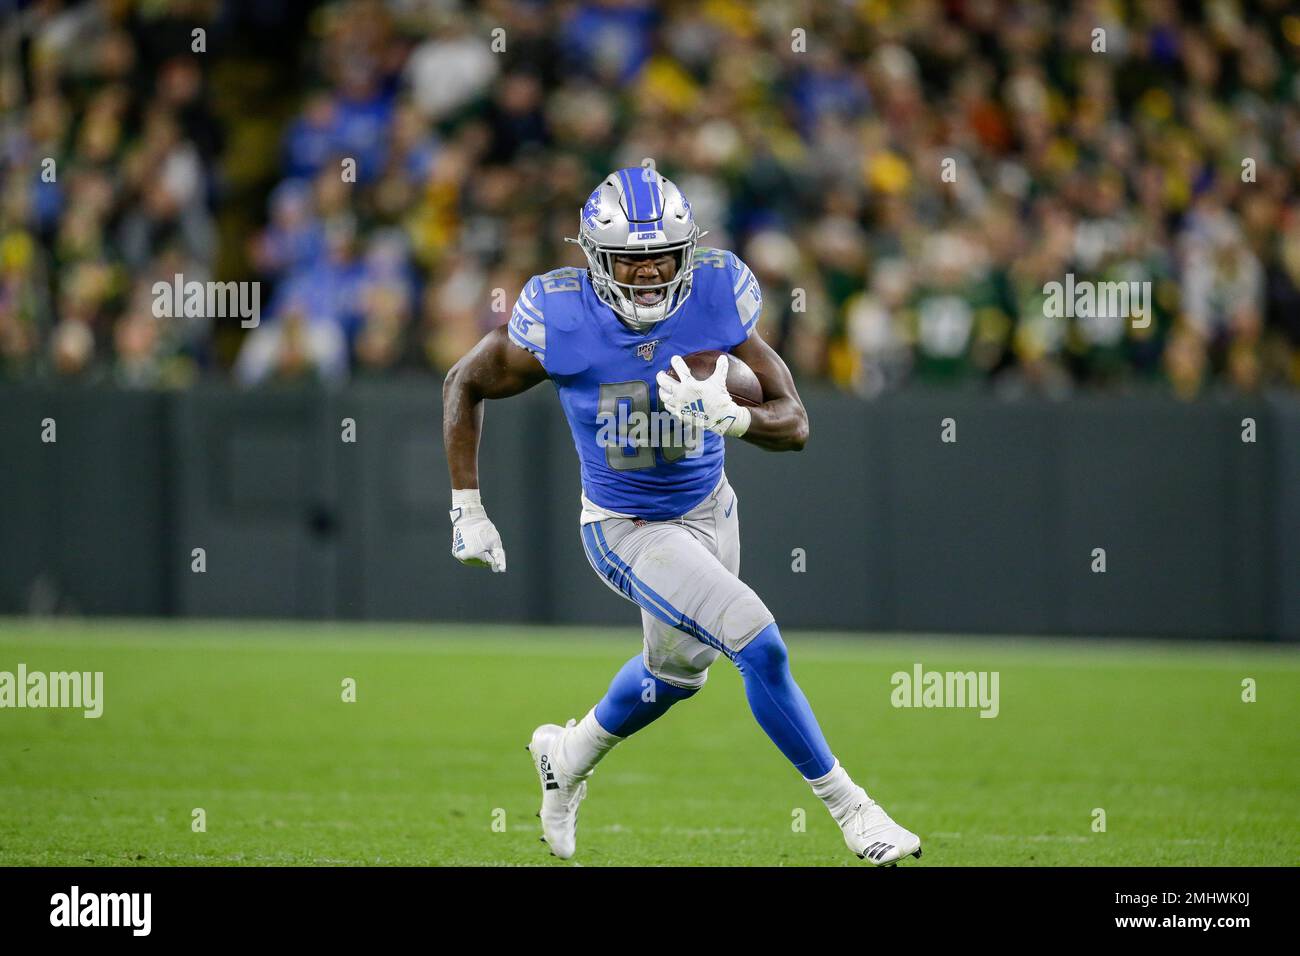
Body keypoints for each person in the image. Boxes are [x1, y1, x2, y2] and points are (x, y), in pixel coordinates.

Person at [441, 160, 921, 865]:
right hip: (626, 527)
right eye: (629, 261)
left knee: (673, 679)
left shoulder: (716, 297)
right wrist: (466, 507)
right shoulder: (562, 315)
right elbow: (465, 380)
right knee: (757, 642)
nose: (647, 274)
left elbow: (794, 423)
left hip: (710, 510)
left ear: (687, 251)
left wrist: (732, 418)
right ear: (597, 260)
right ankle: (856, 812)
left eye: (661, 255)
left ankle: (566, 757)